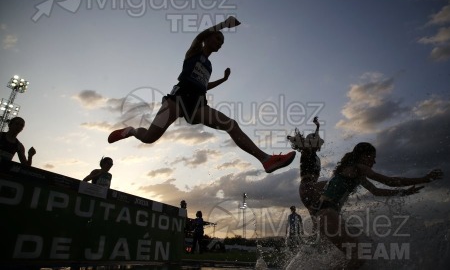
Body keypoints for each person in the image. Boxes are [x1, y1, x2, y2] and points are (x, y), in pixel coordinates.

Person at [108, 16, 295, 173]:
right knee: (149, 137)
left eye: (222, 43)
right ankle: (130, 131)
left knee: (231, 124)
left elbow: (203, 86)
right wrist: (224, 24)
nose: (219, 44)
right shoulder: (194, 52)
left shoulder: (209, 65)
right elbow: (199, 36)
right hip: (177, 99)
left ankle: (266, 160)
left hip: (197, 105)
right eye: (217, 40)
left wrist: (224, 80)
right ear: (208, 38)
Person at [315, 142, 443, 269]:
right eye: (372, 157)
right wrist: (424, 179)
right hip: (327, 215)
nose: (374, 162)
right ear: (363, 156)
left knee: (367, 246)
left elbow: (377, 191)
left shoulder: (355, 173)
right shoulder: (357, 167)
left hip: (327, 216)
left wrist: (403, 192)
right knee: (359, 254)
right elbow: (389, 181)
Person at [287, 117, 326, 216]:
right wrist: (295, 139)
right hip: (308, 187)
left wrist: (317, 126)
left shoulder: (313, 154)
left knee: (318, 218)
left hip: (309, 188)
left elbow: (313, 138)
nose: (319, 145)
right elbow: (306, 144)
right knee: (331, 184)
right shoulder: (307, 152)